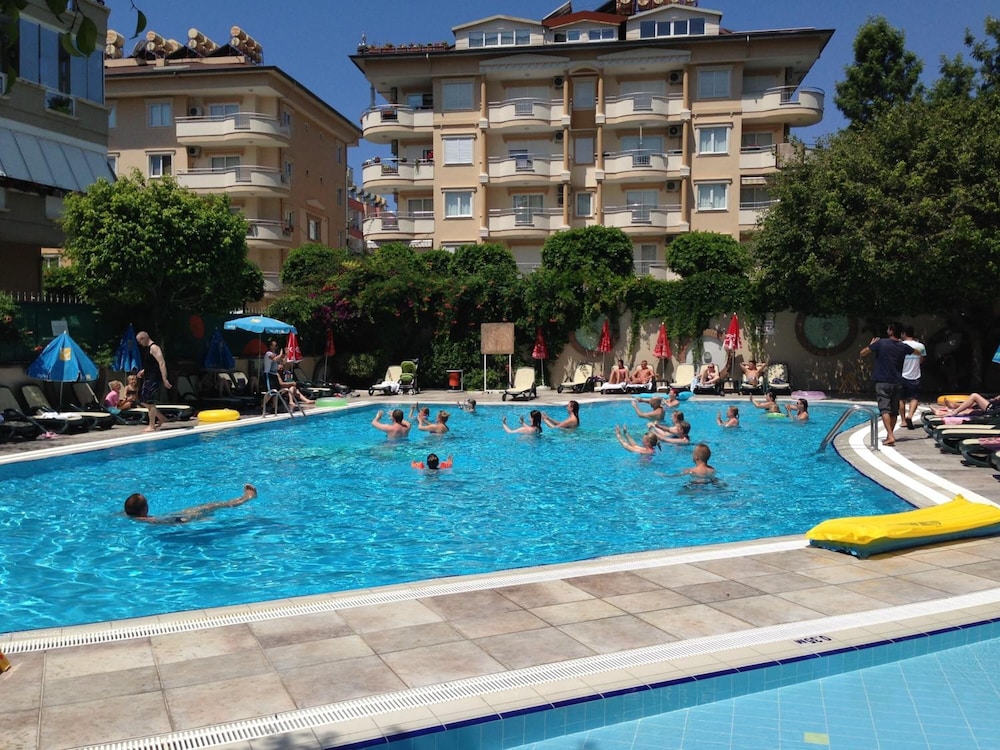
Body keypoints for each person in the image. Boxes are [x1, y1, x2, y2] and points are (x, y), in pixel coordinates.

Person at [860, 322, 911, 446]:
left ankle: (891, 435)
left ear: (891, 331)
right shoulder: (903, 346)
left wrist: (871, 345)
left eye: (888, 329)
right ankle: (889, 435)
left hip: (882, 381)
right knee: (894, 410)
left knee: (884, 409)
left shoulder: (881, 343)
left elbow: (862, 353)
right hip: (897, 382)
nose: (887, 330)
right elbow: (917, 352)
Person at [124, 484, 256, 524]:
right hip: (185, 517)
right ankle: (248, 497)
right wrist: (195, 519)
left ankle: (243, 498)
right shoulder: (150, 520)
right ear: (145, 509)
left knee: (213, 505)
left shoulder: (129, 515)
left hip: (178, 515)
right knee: (215, 505)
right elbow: (172, 521)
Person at [135, 330, 172, 432]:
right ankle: (161, 417)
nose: (140, 344)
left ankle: (151, 426)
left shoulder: (154, 348)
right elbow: (152, 364)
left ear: (143, 338)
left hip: (154, 379)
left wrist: (165, 379)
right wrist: (144, 371)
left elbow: (162, 363)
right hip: (148, 378)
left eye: (140, 341)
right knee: (143, 401)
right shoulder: (149, 349)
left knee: (150, 402)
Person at [899, 326, 926, 430]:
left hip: (901, 375)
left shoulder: (900, 345)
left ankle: (903, 421)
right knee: (914, 398)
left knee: (901, 399)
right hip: (915, 376)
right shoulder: (920, 346)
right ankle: (910, 416)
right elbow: (921, 360)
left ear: (904, 334)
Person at [261, 340, 285, 415]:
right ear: (270, 346)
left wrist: (286, 354)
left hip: (274, 374)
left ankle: (274, 408)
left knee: (276, 392)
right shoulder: (268, 353)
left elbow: (282, 362)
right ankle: (262, 406)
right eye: (275, 345)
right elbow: (274, 359)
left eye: (276, 345)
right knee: (270, 392)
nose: (276, 347)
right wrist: (280, 354)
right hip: (269, 374)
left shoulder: (276, 355)